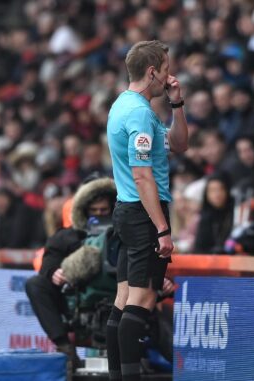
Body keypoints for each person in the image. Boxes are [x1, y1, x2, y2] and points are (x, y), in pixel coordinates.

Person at [105, 40, 188, 381]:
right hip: (143, 213)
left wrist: (177, 103)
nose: (169, 76)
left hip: (127, 211)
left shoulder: (124, 105)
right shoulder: (139, 112)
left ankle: (116, 375)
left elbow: (179, 145)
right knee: (142, 299)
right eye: (166, 69)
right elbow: (142, 175)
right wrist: (162, 230)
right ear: (152, 71)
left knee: (124, 298)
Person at [25, 177, 117, 368]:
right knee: (35, 284)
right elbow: (47, 263)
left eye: (104, 210)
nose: (99, 215)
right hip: (76, 304)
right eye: (94, 211)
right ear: (84, 211)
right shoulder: (65, 237)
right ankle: (65, 348)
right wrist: (53, 272)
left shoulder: (125, 236)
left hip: (121, 299)